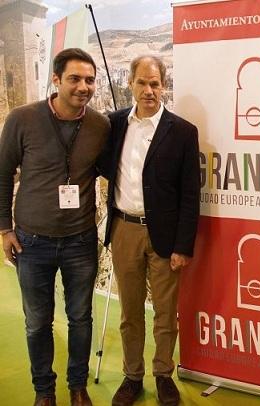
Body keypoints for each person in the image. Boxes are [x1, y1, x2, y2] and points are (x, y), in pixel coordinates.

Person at [0, 48, 110, 406]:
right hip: (32, 242)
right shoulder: (22, 119)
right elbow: (2, 174)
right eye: (75, 79)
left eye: (90, 80)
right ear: (56, 79)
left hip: (80, 239)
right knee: (37, 322)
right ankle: (44, 392)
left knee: (81, 318)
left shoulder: (99, 125)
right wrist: (5, 228)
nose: (84, 87)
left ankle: (77, 387)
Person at [98, 55, 200, 406]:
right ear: (130, 84)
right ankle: (132, 376)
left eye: (155, 83)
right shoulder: (113, 125)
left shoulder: (183, 131)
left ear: (163, 85)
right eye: (142, 82)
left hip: (166, 236)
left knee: (165, 311)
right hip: (124, 229)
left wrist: (183, 245)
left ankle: (162, 374)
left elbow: (190, 194)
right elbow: (99, 165)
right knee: (130, 312)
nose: (148, 90)